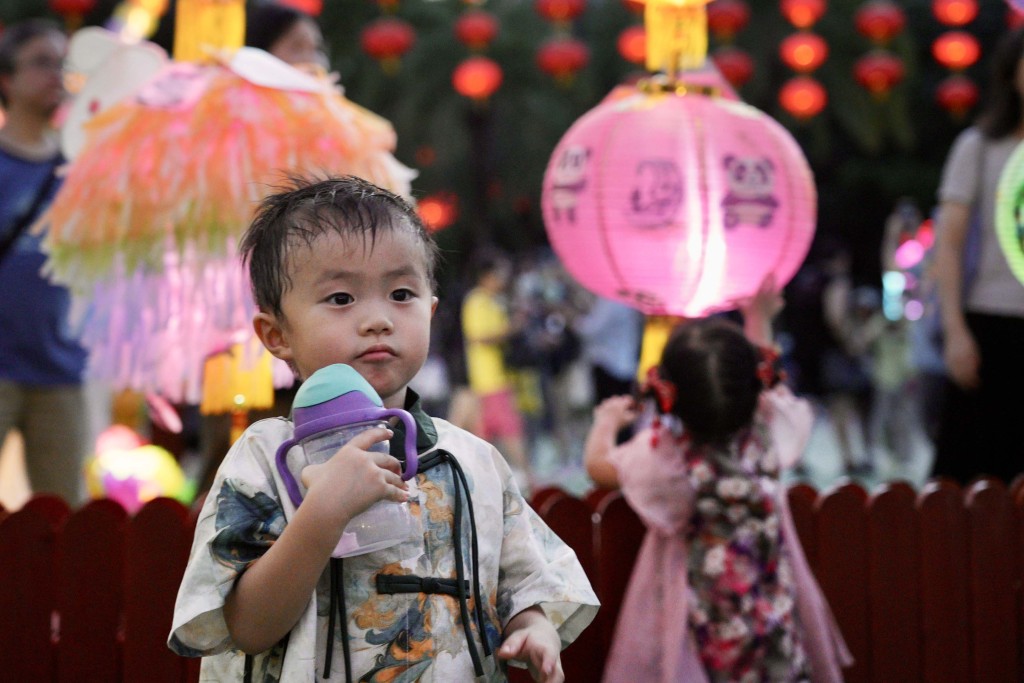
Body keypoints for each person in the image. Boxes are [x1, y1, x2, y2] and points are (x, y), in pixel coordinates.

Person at [169, 177, 598, 682]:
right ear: (277, 334)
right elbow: (247, 627)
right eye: (341, 298)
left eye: (400, 294)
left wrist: (533, 625)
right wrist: (322, 513)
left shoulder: (474, 458)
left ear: (431, 310)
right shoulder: (264, 458)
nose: (377, 319)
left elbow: (523, 578)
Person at [583, 284, 851, 682]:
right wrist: (759, 318)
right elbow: (767, 386)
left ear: (669, 394)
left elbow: (599, 467)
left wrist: (606, 421)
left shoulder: (669, 464)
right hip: (772, 623)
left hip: (705, 631)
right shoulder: (768, 437)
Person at [0, 20, 92, 505]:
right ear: (7, 79)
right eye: (40, 62)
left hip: (60, 369)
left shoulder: (79, 171)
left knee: (63, 520)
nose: (55, 74)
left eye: (63, 63)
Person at [931, 26, 1024, 485]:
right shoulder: (980, 148)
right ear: (1012, 75)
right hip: (991, 325)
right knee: (974, 482)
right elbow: (947, 245)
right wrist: (954, 331)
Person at [461, 252, 533, 487]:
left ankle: (500, 482)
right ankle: (528, 478)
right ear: (487, 275)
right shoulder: (477, 301)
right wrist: (512, 328)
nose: (503, 279)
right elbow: (479, 337)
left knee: (494, 433)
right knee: (510, 430)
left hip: (498, 377)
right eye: (499, 273)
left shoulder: (492, 301)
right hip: (489, 380)